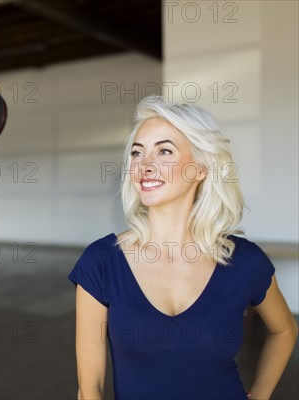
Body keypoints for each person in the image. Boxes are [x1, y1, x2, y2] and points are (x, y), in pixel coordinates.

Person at [69, 96, 298, 400]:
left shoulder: (245, 261)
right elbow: (89, 390)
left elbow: (284, 331)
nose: (145, 165)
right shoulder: (101, 262)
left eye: (164, 151)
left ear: (201, 168)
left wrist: (261, 394)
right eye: (138, 153)